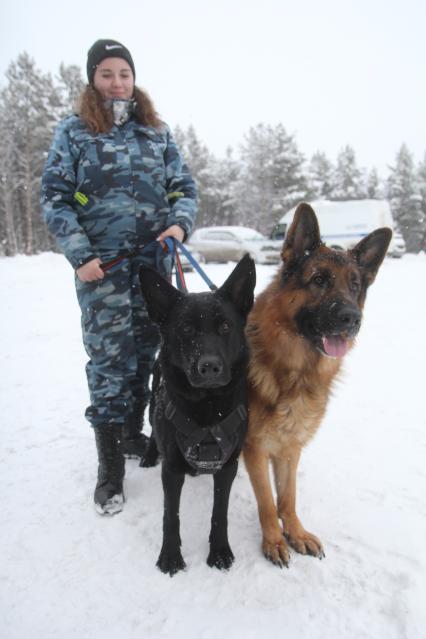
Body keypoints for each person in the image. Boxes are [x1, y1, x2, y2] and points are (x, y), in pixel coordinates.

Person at [41, 39, 197, 515]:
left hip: (153, 264)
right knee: (110, 360)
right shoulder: (74, 132)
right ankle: (110, 463)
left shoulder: (157, 132)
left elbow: (183, 188)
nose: (117, 82)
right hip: (101, 269)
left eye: (124, 73)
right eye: (107, 73)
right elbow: (54, 197)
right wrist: (80, 254)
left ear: (134, 78)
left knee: (149, 352)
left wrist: (178, 224)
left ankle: (133, 431)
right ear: (93, 78)